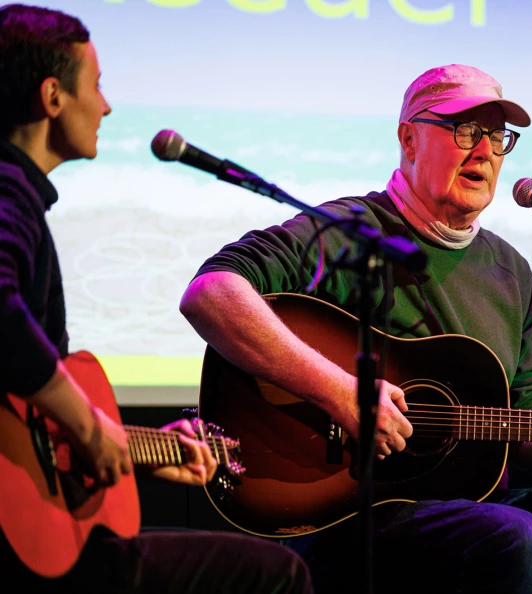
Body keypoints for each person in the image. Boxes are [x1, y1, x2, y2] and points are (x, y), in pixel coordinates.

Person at [179, 63, 532, 593]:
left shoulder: (510, 271)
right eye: (466, 130)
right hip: (356, 511)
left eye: (497, 136)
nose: (486, 150)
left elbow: (527, 421)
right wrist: (338, 391)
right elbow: (211, 293)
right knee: (518, 537)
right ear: (409, 139)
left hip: (485, 510)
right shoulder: (349, 231)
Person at [0, 4, 312, 593]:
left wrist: (142, 448)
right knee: (277, 576)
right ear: (52, 97)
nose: (108, 105)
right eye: (96, 85)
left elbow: (38, 426)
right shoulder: (7, 189)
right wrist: (90, 428)